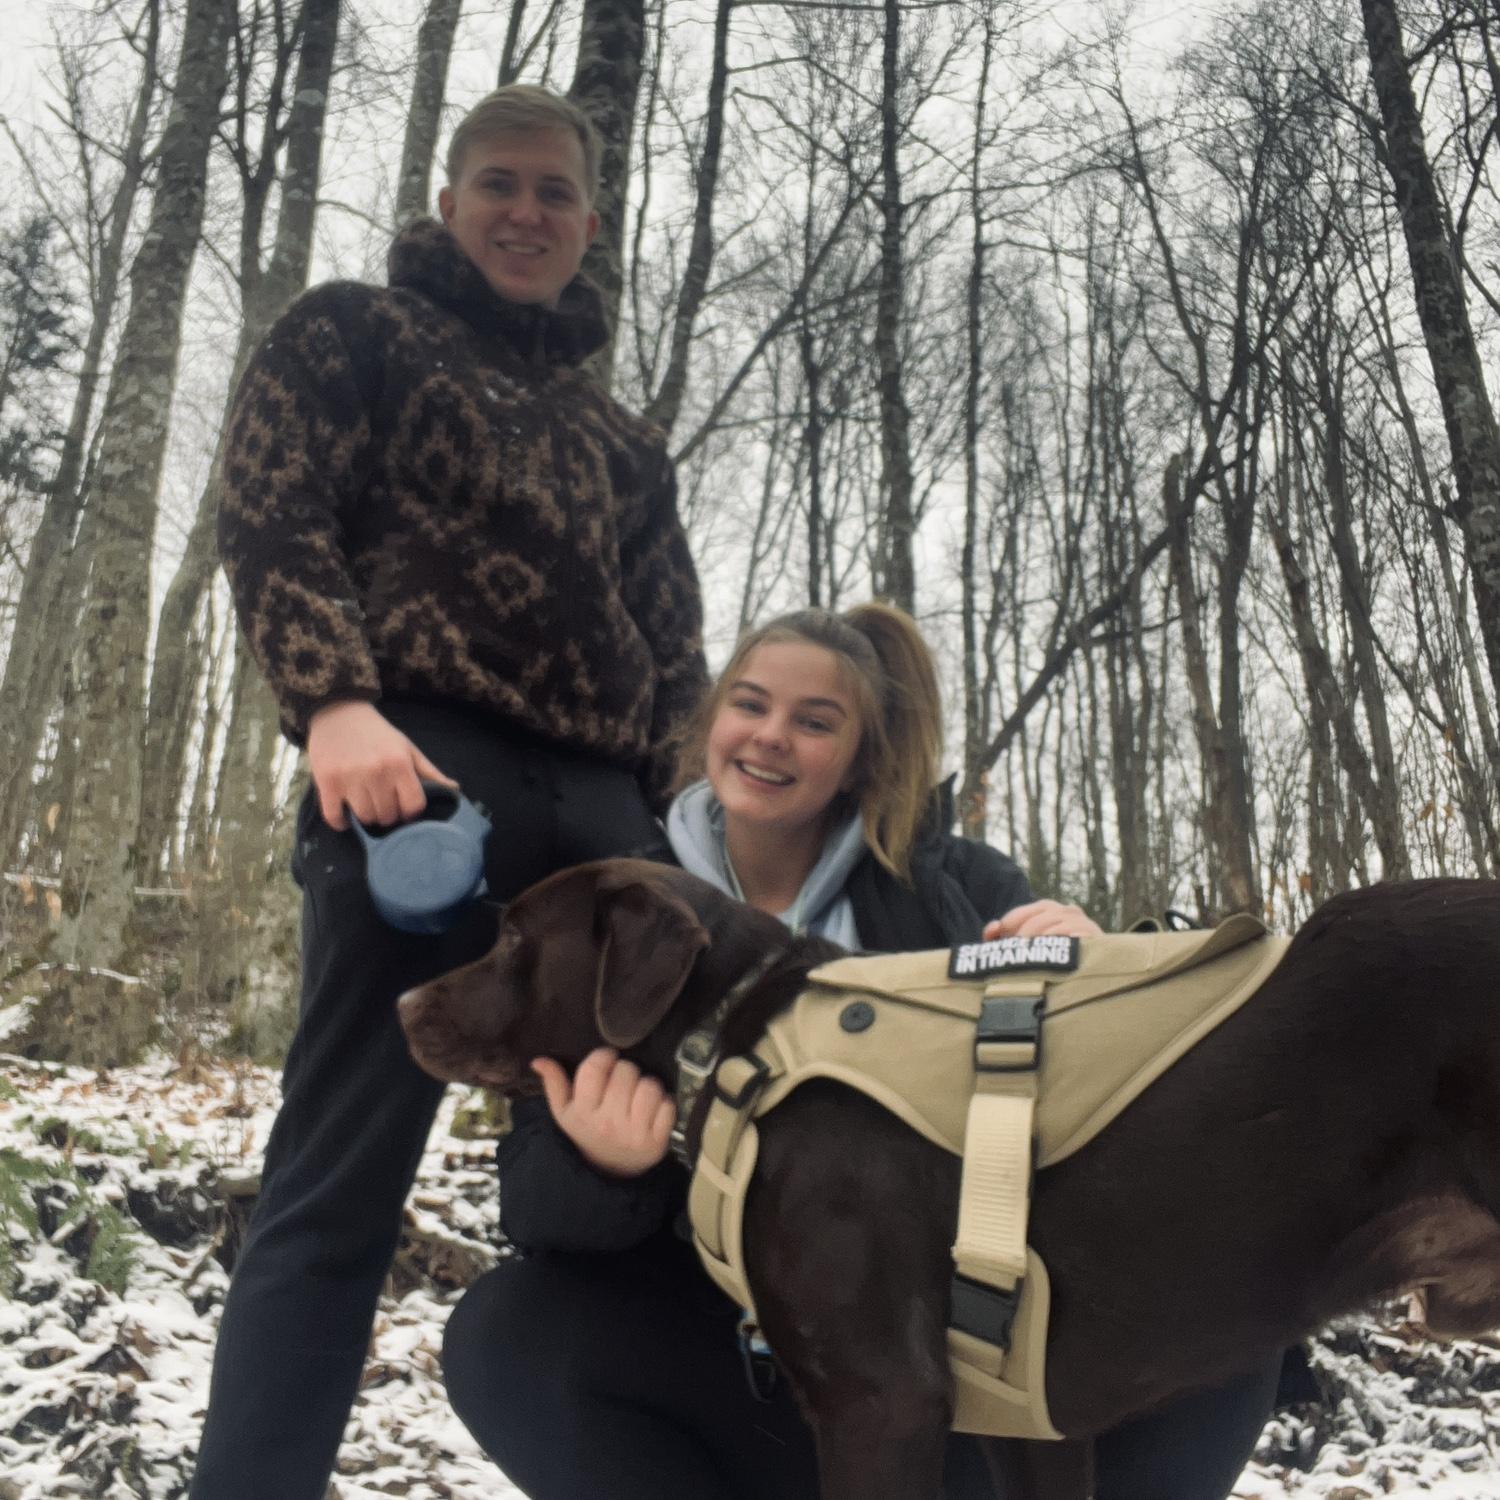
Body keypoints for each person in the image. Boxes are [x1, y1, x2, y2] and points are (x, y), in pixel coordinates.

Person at [442, 603, 1280, 1499]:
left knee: (1234, 1328)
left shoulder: (960, 895)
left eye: (814, 722)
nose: (771, 738)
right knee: (508, 1333)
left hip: (947, 1373)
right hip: (729, 1376)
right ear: (714, 716)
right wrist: (602, 1166)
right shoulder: (612, 903)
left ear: (861, 757)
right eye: (751, 705)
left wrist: (1098, 976)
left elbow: (1080, 1131)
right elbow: (528, 1204)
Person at [190, 85, 706, 1500]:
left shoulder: (627, 442)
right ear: (449, 199)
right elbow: (270, 499)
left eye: (554, 194)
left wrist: (679, 823)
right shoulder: (352, 328)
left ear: (590, 225)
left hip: (610, 828)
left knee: (635, 1183)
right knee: (337, 1185)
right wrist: (333, 702)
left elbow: (675, 650)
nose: (526, 214)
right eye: (501, 185)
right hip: (412, 779)